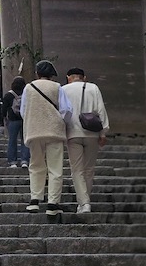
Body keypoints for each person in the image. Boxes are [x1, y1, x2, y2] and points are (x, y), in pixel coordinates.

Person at [21, 60, 72, 220]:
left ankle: (35, 200)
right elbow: (66, 110)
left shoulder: (28, 88)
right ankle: (52, 204)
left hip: (34, 131)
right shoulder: (57, 88)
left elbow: (23, 110)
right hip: (54, 131)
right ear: (52, 75)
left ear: (37, 73)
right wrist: (60, 122)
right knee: (55, 168)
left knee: (36, 165)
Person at [64, 67, 110, 214]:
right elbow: (101, 110)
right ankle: (85, 201)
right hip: (92, 133)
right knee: (89, 169)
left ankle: (84, 203)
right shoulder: (93, 88)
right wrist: (103, 133)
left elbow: (62, 113)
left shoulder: (64, 90)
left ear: (68, 77)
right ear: (84, 77)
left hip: (72, 133)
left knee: (76, 170)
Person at [3, 76, 30, 168]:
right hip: (24, 119)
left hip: (12, 120)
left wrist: (4, 119)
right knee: (25, 140)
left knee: (12, 140)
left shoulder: (8, 95)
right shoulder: (27, 94)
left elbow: (3, 109)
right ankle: (25, 160)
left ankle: (12, 161)